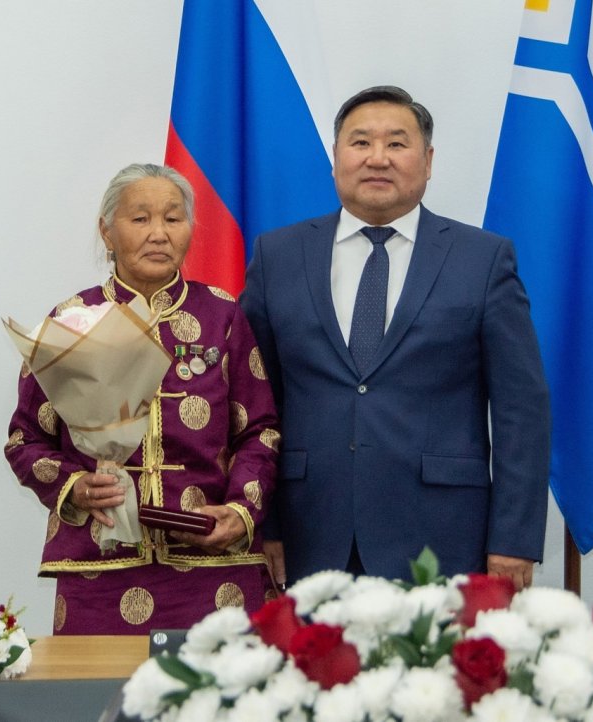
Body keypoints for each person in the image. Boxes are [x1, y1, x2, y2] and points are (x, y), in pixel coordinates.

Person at [240, 86, 550, 591]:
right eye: (361, 142)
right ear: (335, 159)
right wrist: (263, 523)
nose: (378, 158)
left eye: (397, 144)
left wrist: (514, 539)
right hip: (306, 534)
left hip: (444, 536)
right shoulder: (278, 256)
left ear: (428, 161)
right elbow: (254, 403)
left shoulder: (483, 259)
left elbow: (522, 410)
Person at [5, 163, 280, 633]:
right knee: (97, 683)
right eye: (140, 219)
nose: (159, 234)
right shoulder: (72, 319)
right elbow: (24, 440)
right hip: (99, 566)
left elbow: (260, 431)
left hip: (212, 565)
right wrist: (75, 486)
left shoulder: (223, 315)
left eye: (173, 218)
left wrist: (241, 511)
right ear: (106, 231)